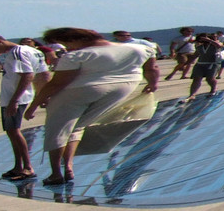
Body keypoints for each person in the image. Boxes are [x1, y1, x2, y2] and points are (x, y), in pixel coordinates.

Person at [25, 27, 158, 186]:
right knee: (77, 127)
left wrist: (34, 105)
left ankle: (56, 173)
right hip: (121, 89)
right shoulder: (142, 48)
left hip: (77, 91)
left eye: (65, 44)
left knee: (58, 129)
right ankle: (68, 167)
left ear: (73, 40)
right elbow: (151, 69)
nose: (67, 48)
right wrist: (152, 83)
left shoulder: (77, 55)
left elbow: (57, 83)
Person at [0, 31, 52, 181]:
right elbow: (43, 74)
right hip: (18, 96)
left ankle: (27, 167)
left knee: (14, 132)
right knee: (12, 132)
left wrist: (14, 100)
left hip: (14, 97)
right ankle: (19, 166)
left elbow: (28, 75)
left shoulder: (17, 52)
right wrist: (42, 95)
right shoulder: (33, 51)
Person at [181, 33, 224, 102]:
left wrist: (209, 40)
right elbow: (195, 55)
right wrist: (185, 64)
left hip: (212, 64)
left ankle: (213, 89)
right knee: (196, 79)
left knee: (210, 78)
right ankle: (192, 95)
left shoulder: (216, 44)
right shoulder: (199, 46)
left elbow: (219, 46)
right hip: (200, 64)